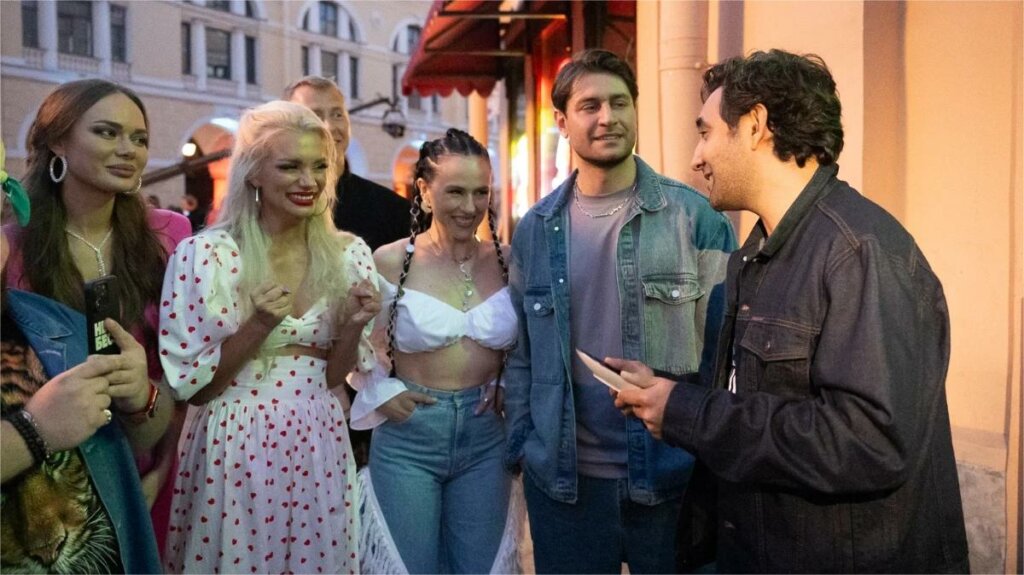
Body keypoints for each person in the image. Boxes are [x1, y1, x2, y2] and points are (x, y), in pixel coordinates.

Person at [612, 49, 970, 573]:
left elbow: (869, 441)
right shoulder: (755, 255)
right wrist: (668, 393)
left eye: (706, 133)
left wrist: (688, 413)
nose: (695, 158)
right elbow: (762, 399)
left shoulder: (859, 251)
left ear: (755, 125)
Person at [504, 49, 737, 574]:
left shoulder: (695, 219)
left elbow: (726, 355)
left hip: (673, 479)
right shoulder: (535, 229)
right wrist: (523, 444)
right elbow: (521, 356)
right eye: (590, 106)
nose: (607, 117)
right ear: (562, 121)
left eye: (620, 102)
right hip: (564, 488)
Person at [160, 100, 380, 574]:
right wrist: (258, 325)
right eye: (290, 166)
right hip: (233, 440)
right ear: (254, 173)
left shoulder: (347, 254)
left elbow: (333, 377)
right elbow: (197, 389)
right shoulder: (207, 255)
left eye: (319, 166)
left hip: (318, 434)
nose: (309, 180)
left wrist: (353, 325)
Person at [1, 78, 188, 558]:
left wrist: (161, 467)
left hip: (151, 462)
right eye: (108, 132)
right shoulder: (12, 248)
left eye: (139, 138)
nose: (128, 150)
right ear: (58, 142)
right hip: (52, 484)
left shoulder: (171, 236)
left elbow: (184, 378)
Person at [349, 128, 520, 574]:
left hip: (487, 436)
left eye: (481, 192)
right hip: (409, 436)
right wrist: (380, 392)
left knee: (482, 567)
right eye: (455, 191)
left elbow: (532, 342)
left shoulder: (509, 261)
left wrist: (510, 382)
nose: (469, 206)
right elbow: (351, 342)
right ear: (425, 191)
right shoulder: (388, 261)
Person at [284, 75, 410, 251]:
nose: (329, 127)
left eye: (337, 115)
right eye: (314, 116)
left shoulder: (394, 212)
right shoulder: (273, 207)